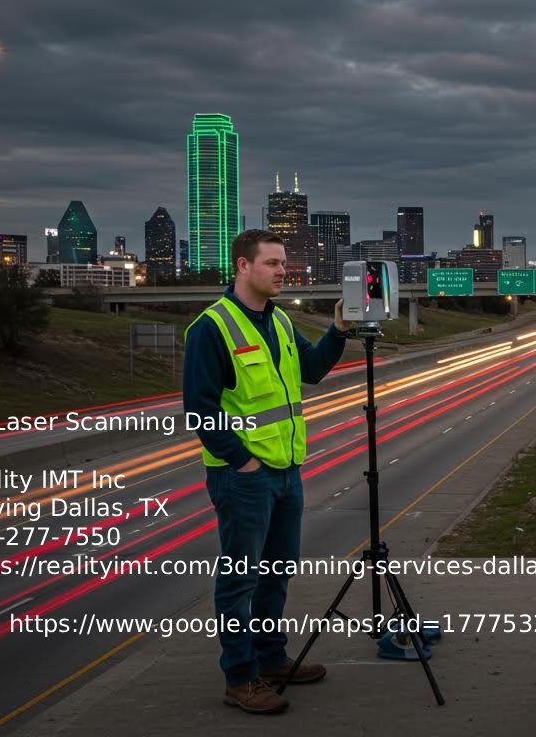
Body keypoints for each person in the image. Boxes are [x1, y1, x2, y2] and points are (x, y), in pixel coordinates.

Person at [183, 229, 351, 714]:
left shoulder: (278, 320)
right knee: (240, 581)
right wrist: (244, 461)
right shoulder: (212, 327)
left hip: (286, 470)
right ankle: (241, 678)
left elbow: (311, 370)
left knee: (277, 572)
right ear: (244, 266)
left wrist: (338, 330)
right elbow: (200, 408)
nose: (283, 271)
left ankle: (272, 659)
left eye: (283, 263)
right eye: (273, 263)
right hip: (244, 476)